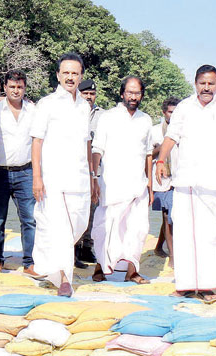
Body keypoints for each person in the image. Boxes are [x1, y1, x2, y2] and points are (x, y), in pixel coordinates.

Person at [155, 65, 216, 303]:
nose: (207, 88)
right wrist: (161, 160)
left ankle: (209, 286)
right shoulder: (185, 107)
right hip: (185, 178)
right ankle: (185, 285)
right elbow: (171, 136)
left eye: (211, 83)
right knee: (185, 232)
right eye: (202, 83)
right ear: (195, 84)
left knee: (210, 233)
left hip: (215, 180)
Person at [29, 52, 95, 297]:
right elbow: (37, 142)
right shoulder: (47, 103)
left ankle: (45, 266)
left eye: (74, 73)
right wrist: (37, 177)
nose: (70, 77)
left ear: (80, 76)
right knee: (59, 228)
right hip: (54, 178)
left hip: (79, 177)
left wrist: (92, 176)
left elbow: (87, 143)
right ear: (58, 75)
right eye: (65, 72)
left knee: (79, 225)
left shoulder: (83, 105)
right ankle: (64, 278)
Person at [90, 76, 153, 284]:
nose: (133, 97)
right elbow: (97, 149)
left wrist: (150, 186)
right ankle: (100, 267)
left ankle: (132, 272)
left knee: (138, 228)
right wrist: (94, 177)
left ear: (142, 95)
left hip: (138, 184)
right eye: (130, 92)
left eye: (137, 93)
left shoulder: (146, 120)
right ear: (122, 93)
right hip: (112, 184)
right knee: (105, 227)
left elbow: (148, 154)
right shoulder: (108, 117)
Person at [0, 70, 37, 275]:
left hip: (26, 171)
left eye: (20, 87)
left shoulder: (33, 111)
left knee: (30, 219)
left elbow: (38, 141)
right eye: (12, 87)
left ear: (25, 88)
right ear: (5, 88)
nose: (16, 91)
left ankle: (29, 262)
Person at [73, 78, 103, 269]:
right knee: (76, 210)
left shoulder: (103, 116)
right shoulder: (73, 111)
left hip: (96, 169)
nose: (89, 97)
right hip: (76, 168)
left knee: (93, 210)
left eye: (92, 94)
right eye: (85, 94)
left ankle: (87, 248)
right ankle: (73, 251)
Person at [151, 97, 180, 261]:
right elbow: (147, 155)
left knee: (171, 215)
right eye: (170, 112)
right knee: (167, 215)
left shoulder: (184, 131)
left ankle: (158, 247)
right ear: (164, 113)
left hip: (179, 178)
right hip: (161, 179)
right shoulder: (155, 131)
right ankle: (173, 256)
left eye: (176, 113)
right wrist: (162, 148)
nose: (173, 116)